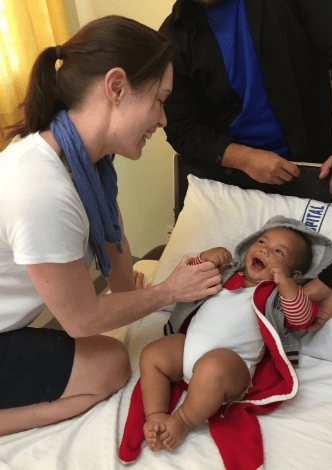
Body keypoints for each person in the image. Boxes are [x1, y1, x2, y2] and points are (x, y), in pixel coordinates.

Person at [0, 15, 224, 436]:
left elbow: (119, 269)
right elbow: (82, 320)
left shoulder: (92, 169)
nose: (163, 119)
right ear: (116, 87)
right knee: (111, 366)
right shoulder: (40, 186)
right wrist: (169, 290)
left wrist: (156, 292)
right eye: (160, 100)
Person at [138, 216, 332, 451]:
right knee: (152, 354)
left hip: (231, 367)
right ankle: (156, 415)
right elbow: (188, 281)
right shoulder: (226, 274)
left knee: (213, 369)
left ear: (295, 273)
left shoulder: (277, 297)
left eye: (279, 252)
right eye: (262, 241)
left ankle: (182, 420)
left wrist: (286, 283)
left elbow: (302, 317)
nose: (266, 250)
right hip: (188, 346)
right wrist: (205, 258)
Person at [159, 0, 332, 195]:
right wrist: (244, 158)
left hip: (311, 167)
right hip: (230, 179)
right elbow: (179, 126)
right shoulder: (172, 37)